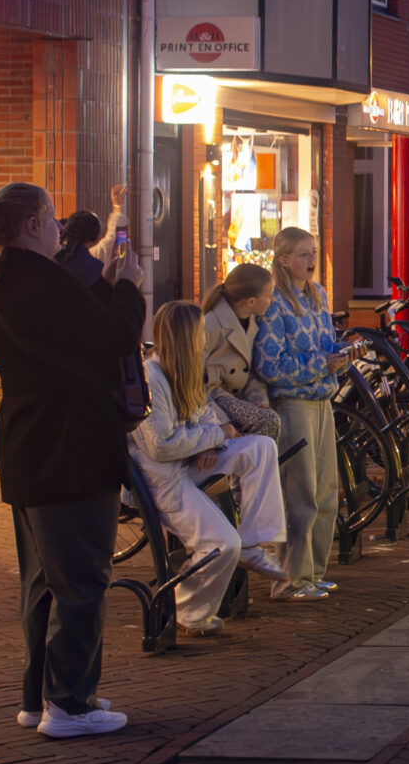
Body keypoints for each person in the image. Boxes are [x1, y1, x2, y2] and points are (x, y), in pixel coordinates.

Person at [0, 181, 144, 738]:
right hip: (71, 446)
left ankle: (39, 696)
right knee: (83, 578)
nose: (59, 232)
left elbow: (66, 341)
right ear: (31, 224)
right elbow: (112, 339)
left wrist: (107, 287)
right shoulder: (43, 281)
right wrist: (130, 290)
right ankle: (69, 702)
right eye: (52, 222)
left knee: (43, 580)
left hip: (28, 447)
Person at [130, 302, 288, 635]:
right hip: (164, 480)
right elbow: (160, 446)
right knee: (221, 544)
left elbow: (205, 415)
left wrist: (211, 443)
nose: (205, 338)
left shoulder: (187, 367)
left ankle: (254, 542)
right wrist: (211, 437)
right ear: (187, 336)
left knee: (261, 447)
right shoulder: (151, 377)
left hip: (187, 462)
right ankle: (190, 612)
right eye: (200, 331)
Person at [254, 227, 344, 600]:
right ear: (284, 260)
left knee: (326, 492)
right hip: (293, 404)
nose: (311, 261)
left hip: (323, 400)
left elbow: (325, 344)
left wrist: (342, 354)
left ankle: (314, 572)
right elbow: (270, 365)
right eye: (304, 254)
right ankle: (291, 579)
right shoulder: (274, 303)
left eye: (313, 252)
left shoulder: (319, 295)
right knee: (299, 493)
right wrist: (321, 363)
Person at [201, 263, 276, 409]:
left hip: (240, 400)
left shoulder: (254, 322)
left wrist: (259, 401)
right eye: (269, 296)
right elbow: (193, 378)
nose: (273, 300)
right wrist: (222, 422)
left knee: (270, 420)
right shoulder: (210, 324)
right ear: (251, 302)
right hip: (212, 404)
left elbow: (250, 369)